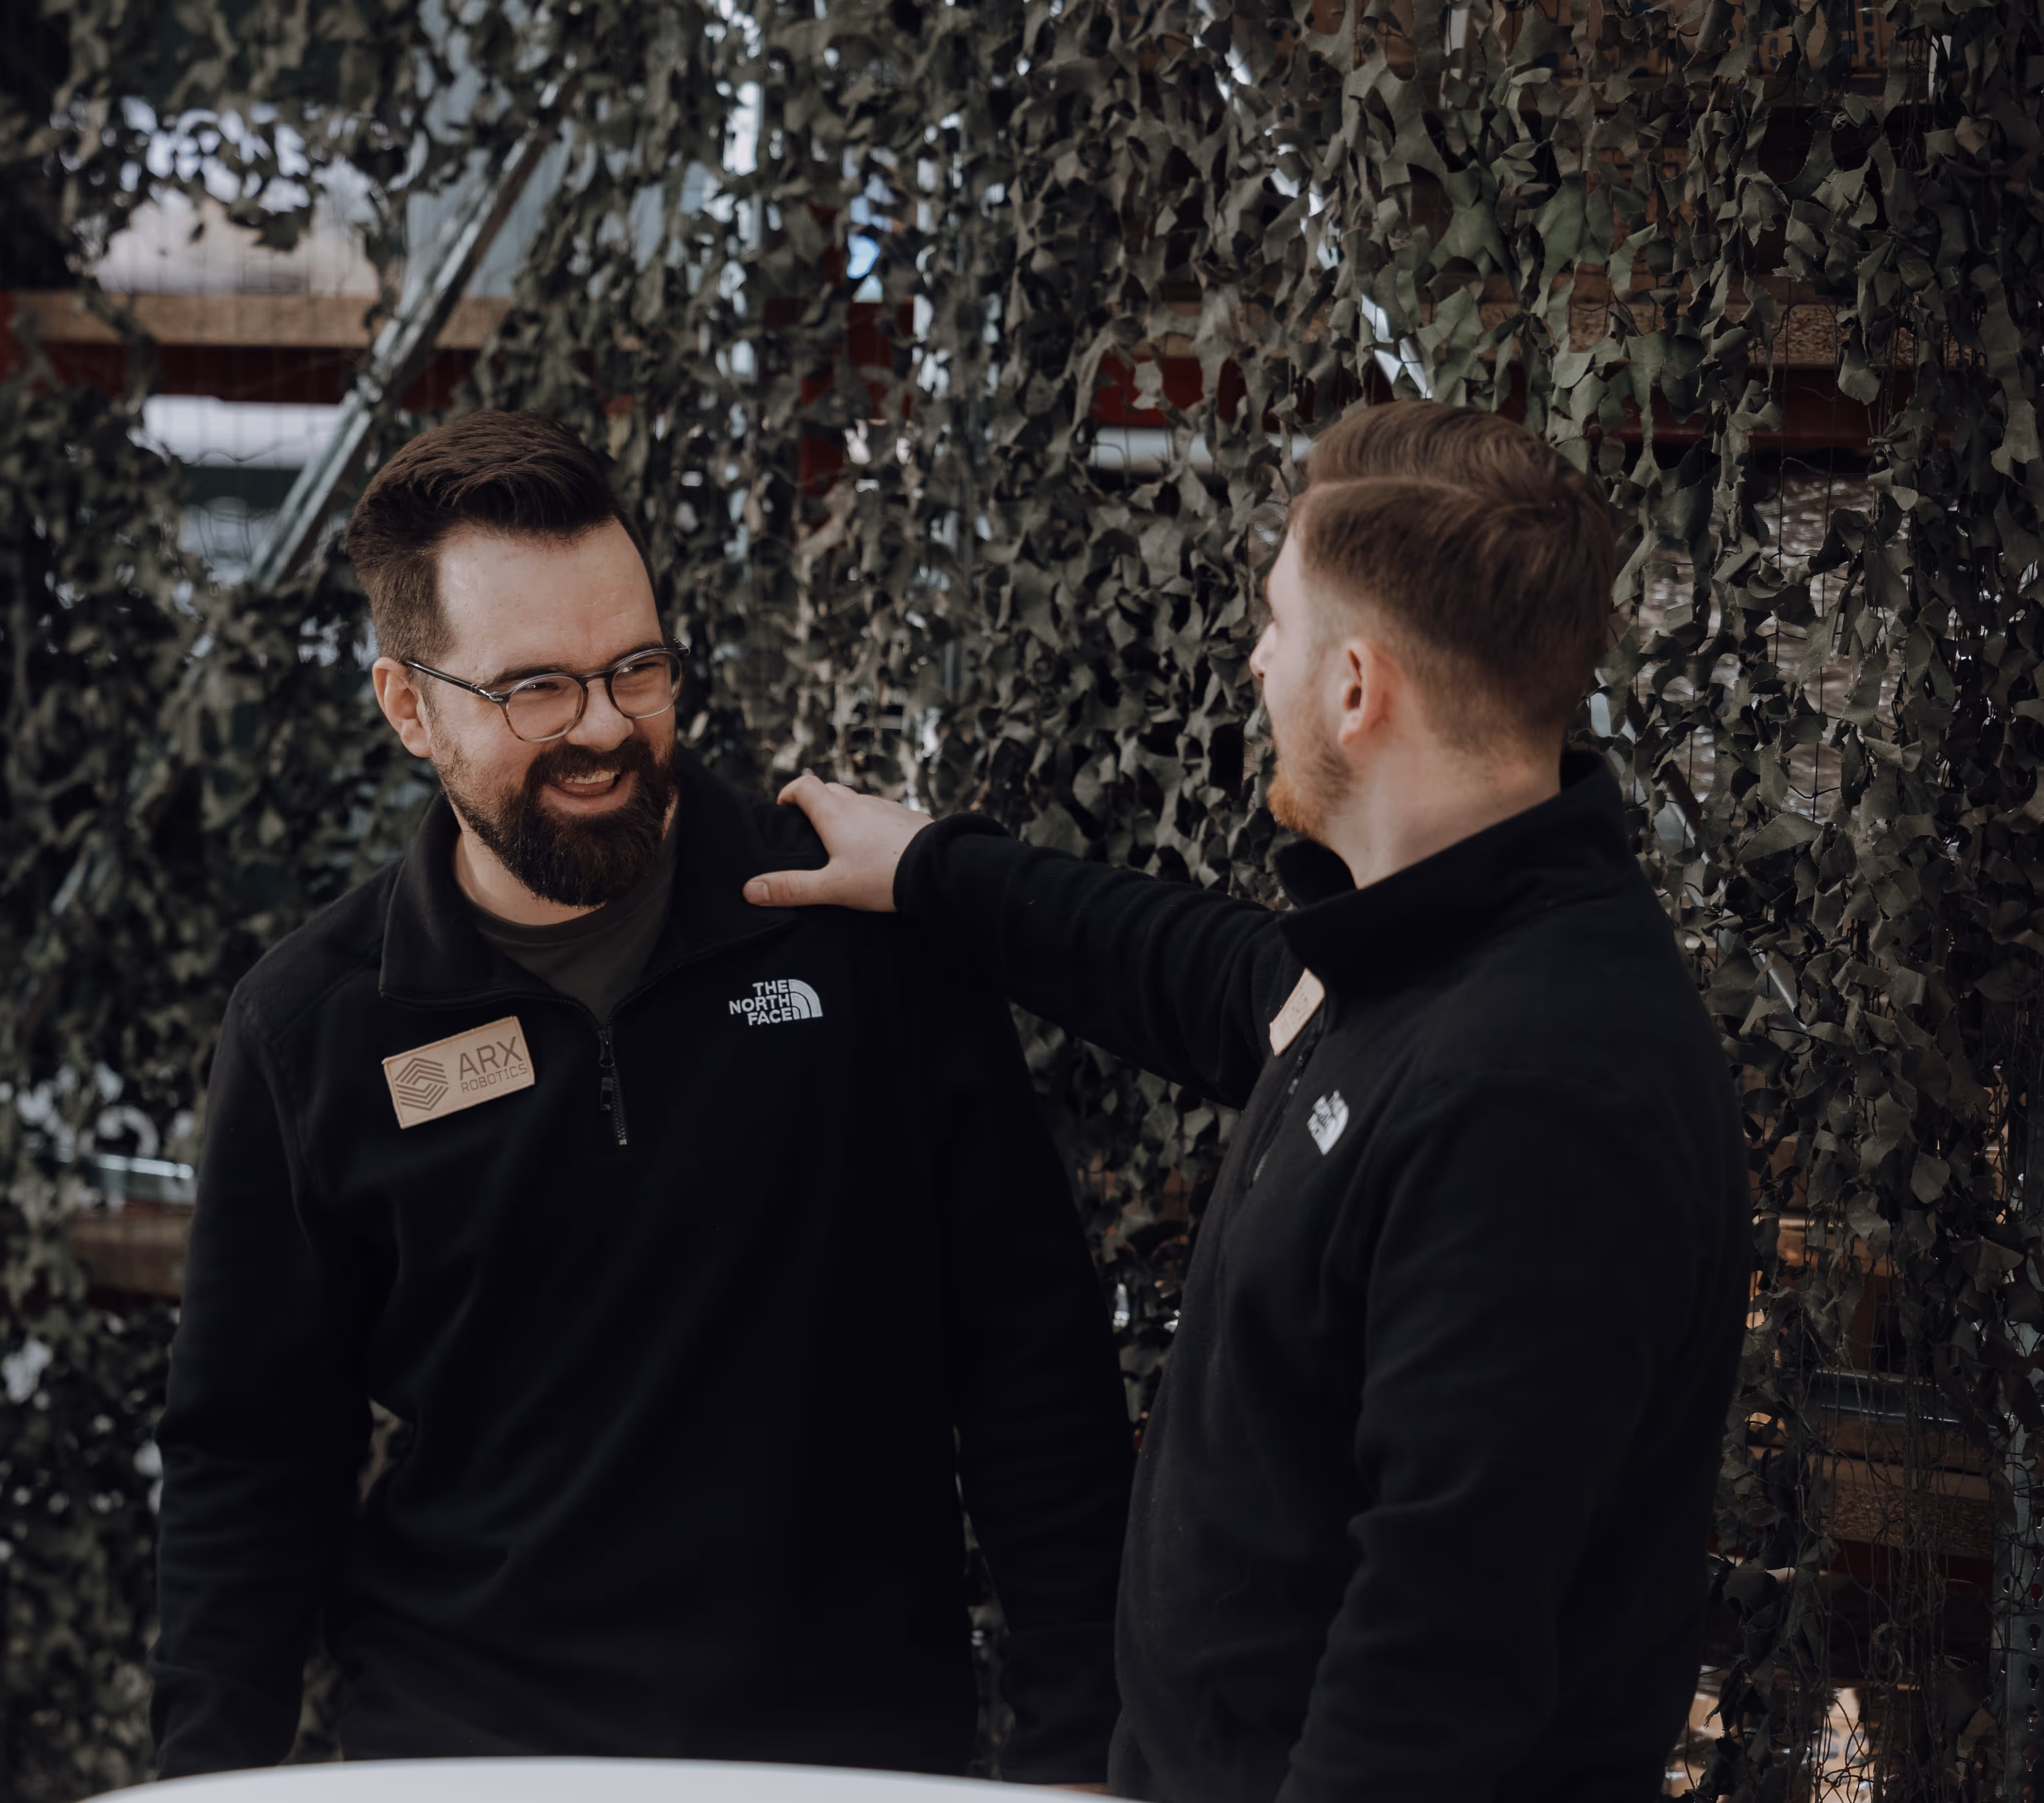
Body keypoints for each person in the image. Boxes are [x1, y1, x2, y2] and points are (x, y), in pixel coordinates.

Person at [744, 401, 1750, 1803]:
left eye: (1277, 623)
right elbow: (1213, 979)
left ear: (1356, 686)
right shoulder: (1430, 953)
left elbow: (1429, 1675)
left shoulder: (1533, 1100)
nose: (1255, 657)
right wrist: (931, 869)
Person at [150, 410, 1131, 1785]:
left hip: (841, 1756)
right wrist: (207, 1778)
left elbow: (1035, 1366)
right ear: (408, 706)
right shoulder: (314, 1031)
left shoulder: (853, 941)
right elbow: (251, 1463)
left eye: (638, 668)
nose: (605, 728)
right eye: (536, 690)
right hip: (468, 1757)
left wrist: (1086, 1748)